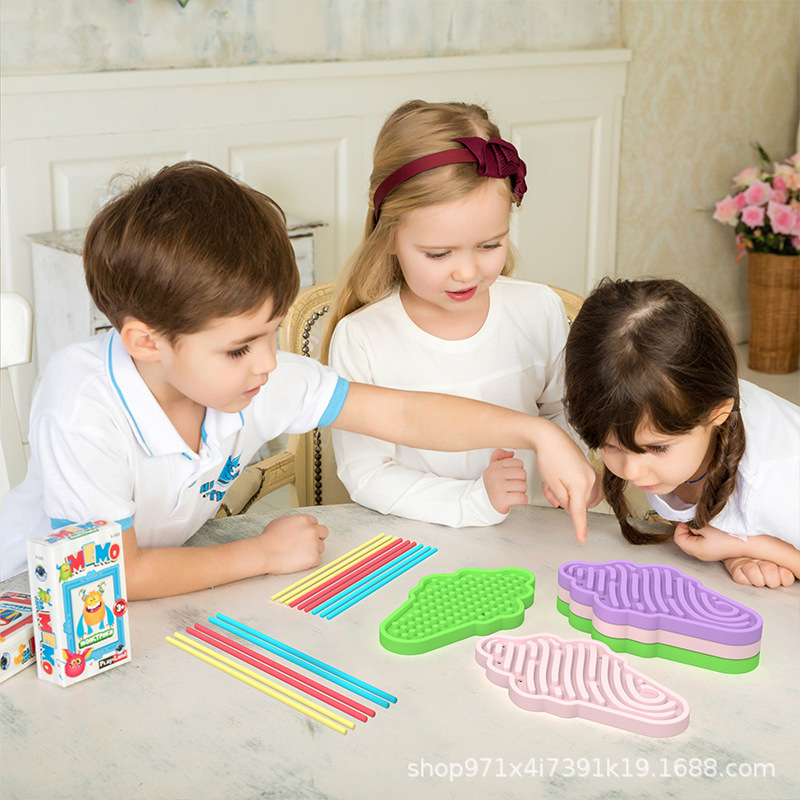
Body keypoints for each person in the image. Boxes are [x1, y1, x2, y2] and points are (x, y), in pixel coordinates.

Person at [0, 161, 599, 599]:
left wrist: (538, 434)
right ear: (147, 342)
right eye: (239, 347)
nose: (268, 361)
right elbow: (115, 574)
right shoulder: (83, 404)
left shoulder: (254, 377)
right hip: (31, 599)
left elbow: (403, 415)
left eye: (272, 332)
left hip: (156, 599)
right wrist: (259, 554)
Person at [323, 100, 596, 529]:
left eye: (489, 246)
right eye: (438, 253)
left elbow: (566, 410)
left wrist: (573, 460)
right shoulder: (363, 339)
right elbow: (368, 473)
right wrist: (473, 500)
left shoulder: (538, 310)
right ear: (388, 237)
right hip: (422, 540)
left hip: (536, 532)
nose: (467, 272)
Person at [564, 277, 800, 588]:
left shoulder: (775, 482)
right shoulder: (681, 415)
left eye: (657, 448)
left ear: (718, 413)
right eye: (611, 447)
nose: (631, 471)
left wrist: (746, 546)